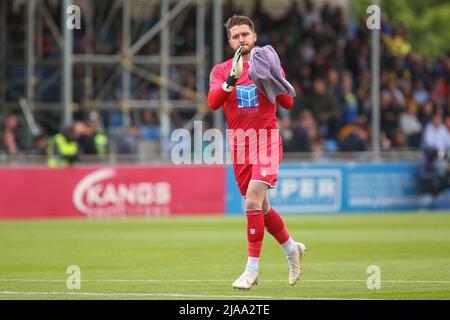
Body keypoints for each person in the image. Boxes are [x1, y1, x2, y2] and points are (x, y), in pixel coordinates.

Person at [208, 15, 306, 290]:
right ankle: (291, 249)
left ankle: (251, 270)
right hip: (240, 146)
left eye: (245, 34)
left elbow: (286, 102)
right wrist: (232, 79)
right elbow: (214, 103)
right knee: (262, 209)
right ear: (230, 42)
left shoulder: (268, 63)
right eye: (236, 36)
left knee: (251, 202)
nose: (241, 39)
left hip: (266, 141)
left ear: (254, 36)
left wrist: (273, 78)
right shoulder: (220, 70)